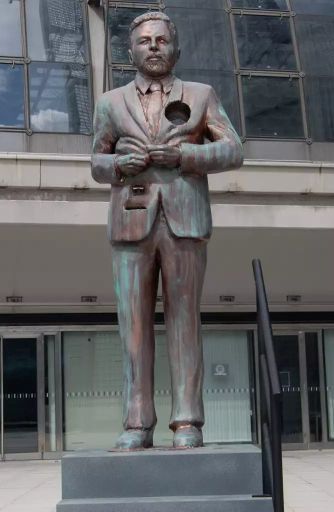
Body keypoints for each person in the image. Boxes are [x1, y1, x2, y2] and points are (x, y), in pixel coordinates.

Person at [90, 11, 243, 450]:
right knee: (133, 328)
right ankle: (137, 423)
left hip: (185, 219)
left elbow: (233, 149)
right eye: (145, 40)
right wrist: (120, 164)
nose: (154, 46)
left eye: (161, 40)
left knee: (184, 322)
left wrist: (186, 158)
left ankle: (187, 422)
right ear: (131, 50)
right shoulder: (110, 102)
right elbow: (96, 163)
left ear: (175, 49)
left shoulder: (201, 95)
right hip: (131, 220)